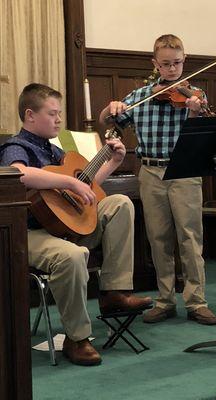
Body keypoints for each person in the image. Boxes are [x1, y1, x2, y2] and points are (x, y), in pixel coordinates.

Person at [0, 83, 152, 366]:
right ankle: (77, 338)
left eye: (60, 114)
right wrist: (68, 180)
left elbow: (83, 192)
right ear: (30, 115)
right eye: (52, 113)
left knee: (119, 203)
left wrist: (111, 163)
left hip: (64, 228)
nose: (59, 119)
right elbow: (18, 174)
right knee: (72, 256)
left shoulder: (55, 151)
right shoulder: (15, 147)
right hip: (30, 233)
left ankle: (114, 292)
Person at [100, 34, 216, 326]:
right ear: (155, 63)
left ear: (184, 60)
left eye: (177, 63)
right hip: (150, 171)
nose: (172, 69)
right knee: (158, 238)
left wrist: (195, 110)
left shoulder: (195, 94)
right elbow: (107, 120)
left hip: (184, 170)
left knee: (190, 237)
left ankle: (196, 301)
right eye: (165, 64)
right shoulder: (140, 96)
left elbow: (206, 126)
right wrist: (112, 107)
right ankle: (165, 300)